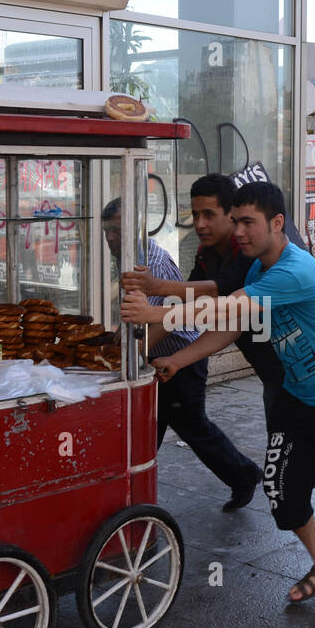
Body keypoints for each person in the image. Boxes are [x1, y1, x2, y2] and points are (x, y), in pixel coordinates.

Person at [128, 182, 315, 615]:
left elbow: (226, 305)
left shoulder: (295, 270)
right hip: (296, 396)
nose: (238, 231)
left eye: (247, 222)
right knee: (279, 488)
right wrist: (179, 359)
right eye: (234, 221)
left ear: (277, 223)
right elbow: (234, 325)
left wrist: (157, 314)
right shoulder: (257, 269)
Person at [101, 199, 261, 512]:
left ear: (136, 229)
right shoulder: (126, 256)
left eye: (116, 231)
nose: (110, 238)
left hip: (180, 358)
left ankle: (243, 475)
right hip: (156, 360)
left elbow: (167, 317)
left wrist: (135, 353)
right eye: (107, 231)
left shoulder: (154, 264)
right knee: (153, 427)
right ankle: (131, 494)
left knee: (191, 427)